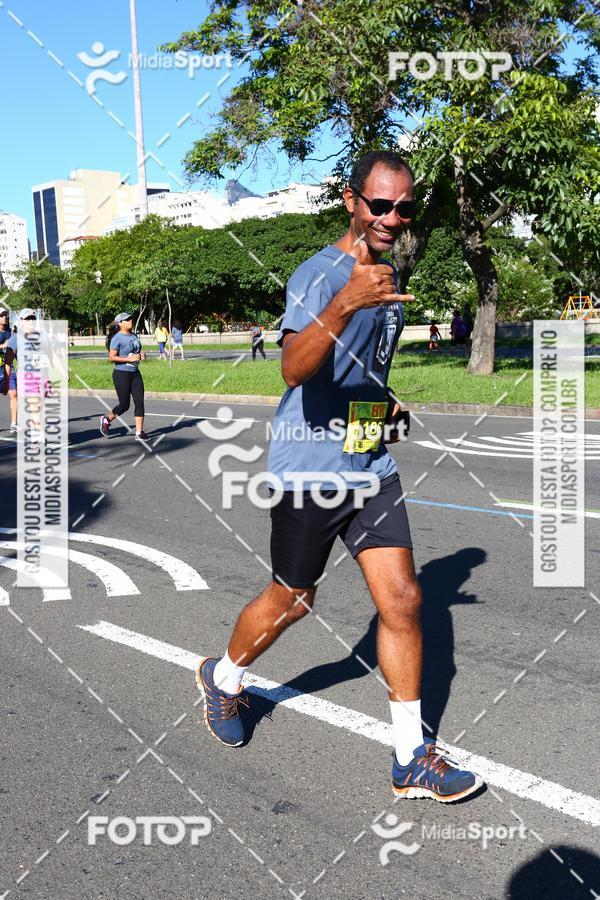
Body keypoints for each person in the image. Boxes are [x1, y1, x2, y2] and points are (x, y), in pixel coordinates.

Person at [196, 150, 483, 803]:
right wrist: (349, 300)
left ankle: (411, 757)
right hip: (309, 470)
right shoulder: (319, 274)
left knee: (405, 600)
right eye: (379, 204)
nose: (391, 216)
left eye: (403, 207)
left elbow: (360, 373)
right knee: (294, 600)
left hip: (368, 463)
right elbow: (294, 366)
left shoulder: (389, 275)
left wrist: (384, 409)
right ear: (350, 200)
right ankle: (226, 678)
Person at [100, 313, 151, 442]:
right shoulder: (117, 338)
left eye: (130, 318)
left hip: (135, 373)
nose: (130, 320)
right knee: (124, 405)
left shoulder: (133, 335)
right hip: (121, 374)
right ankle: (106, 419)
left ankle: (139, 433)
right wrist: (129, 358)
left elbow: (135, 352)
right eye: (127, 319)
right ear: (120, 323)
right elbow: (111, 357)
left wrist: (141, 355)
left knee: (139, 402)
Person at [0, 309, 18, 432]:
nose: (5, 317)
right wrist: (3, 346)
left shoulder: (10, 332)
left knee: (14, 394)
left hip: (8, 367)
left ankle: (13, 424)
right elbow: (6, 346)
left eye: (5, 315)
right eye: (2, 315)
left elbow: (14, 349)